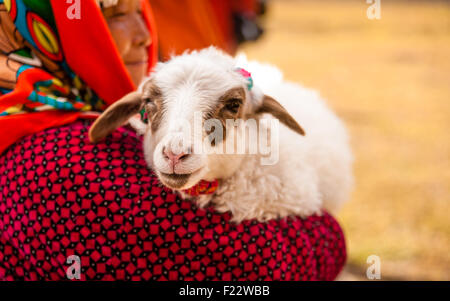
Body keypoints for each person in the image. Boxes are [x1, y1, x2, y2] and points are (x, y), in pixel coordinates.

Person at [0, 0, 346, 280]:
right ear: (50, 30)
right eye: (116, 14)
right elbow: (258, 270)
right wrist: (326, 234)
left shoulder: (73, 116)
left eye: (141, 11)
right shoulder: (59, 162)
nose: (145, 35)